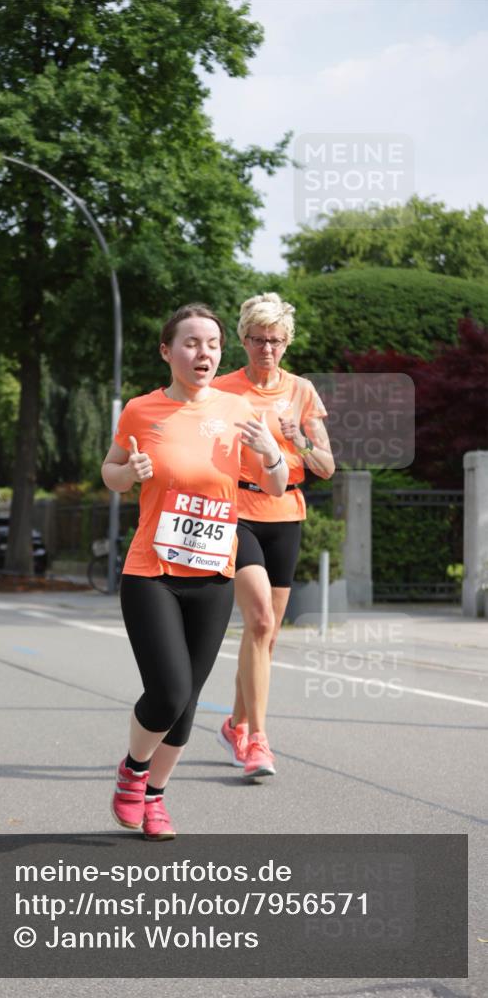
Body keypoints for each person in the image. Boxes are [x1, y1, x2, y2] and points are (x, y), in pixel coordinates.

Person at [101, 303, 289, 840]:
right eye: (189, 343)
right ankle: (134, 771)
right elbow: (111, 471)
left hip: (213, 575)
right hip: (151, 571)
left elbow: (274, 487)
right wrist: (127, 472)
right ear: (167, 351)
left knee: (186, 706)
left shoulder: (238, 411)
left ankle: (155, 796)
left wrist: (271, 451)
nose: (202, 353)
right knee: (168, 691)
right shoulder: (141, 410)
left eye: (211, 343)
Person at [213, 292, 335, 780]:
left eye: (277, 341)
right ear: (243, 340)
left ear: (287, 342)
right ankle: (258, 742)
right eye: (259, 340)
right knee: (259, 618)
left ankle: (235, 723)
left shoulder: (302, 391)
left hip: (286, 514)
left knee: (268, 633)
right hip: (234, 511)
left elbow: (326, 467)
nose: (268, 349)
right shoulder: (221, 390)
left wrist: (298, 438)